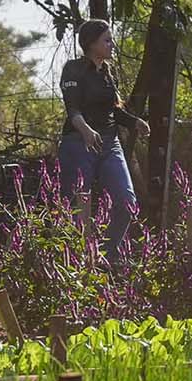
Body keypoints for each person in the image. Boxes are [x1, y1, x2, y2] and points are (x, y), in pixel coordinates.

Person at [58, 21, 147, 260]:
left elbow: (112, 110)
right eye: (106, 40)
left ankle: (103, 256)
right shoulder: (73, 69)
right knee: (75, 207)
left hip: (109, 144)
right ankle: (74, 262)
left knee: (127, 203)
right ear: (91, 43)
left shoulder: (108, 72)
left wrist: (134, 121)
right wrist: (86, 130)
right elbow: (72, 109)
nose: (111, 44)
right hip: (78, 143)